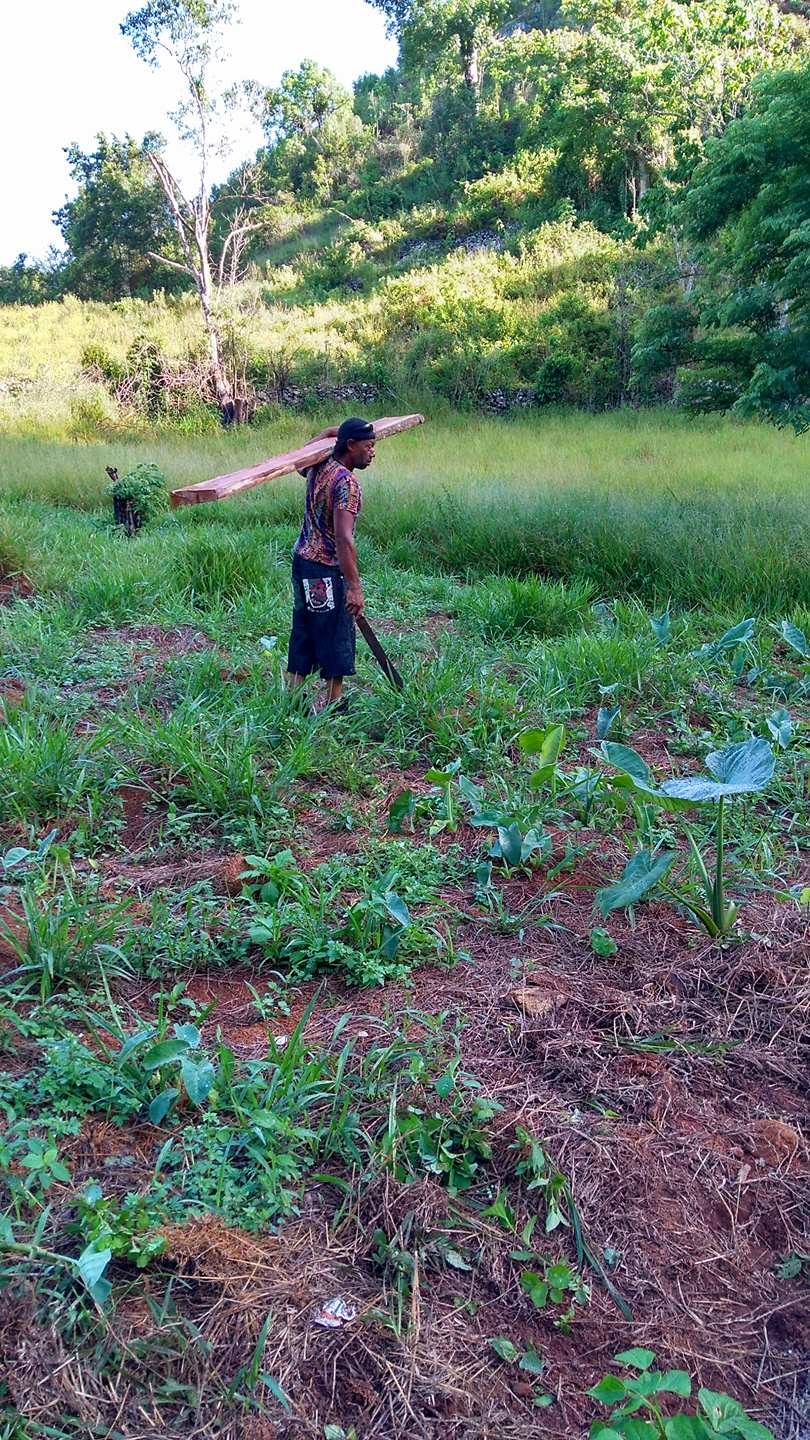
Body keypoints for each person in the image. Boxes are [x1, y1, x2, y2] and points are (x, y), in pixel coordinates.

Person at [286, 416, 376, 709]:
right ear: (350, 445)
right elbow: (344, 539)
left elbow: (300, 460)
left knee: (305, 629)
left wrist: (326, 432)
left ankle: (294, 702)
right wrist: (354, 587)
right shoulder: (346, 483)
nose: (373, 452)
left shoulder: (318, 466)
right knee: (336, 633)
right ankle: (335, 705)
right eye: (368, 446)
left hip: (302, 564)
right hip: (325, 571)